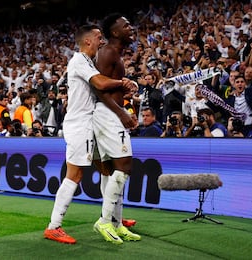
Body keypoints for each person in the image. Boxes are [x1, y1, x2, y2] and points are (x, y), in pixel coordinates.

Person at [43, 23, 135, 245]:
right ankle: (54, 226)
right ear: (87, 41)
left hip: (92, 123)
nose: (102, 41)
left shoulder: (88, 61)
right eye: (98, 37)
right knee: (74, 175)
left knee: (107, 169)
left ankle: (114, 219)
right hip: (79, 125)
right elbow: (100, 83)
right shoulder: (78, 61)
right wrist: (123, 83)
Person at [92, 13, 141, 245]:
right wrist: (122, 113)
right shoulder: (108, 51)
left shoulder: (114, 54)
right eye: (126, 25)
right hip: (107, 115)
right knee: (124, 166)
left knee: (110, 170)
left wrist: (125, 91)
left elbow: (109, 87)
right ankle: (104, 221)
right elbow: (98, 88)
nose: (131, 28)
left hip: (108, 114)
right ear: (114, 32)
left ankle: (116, 224)